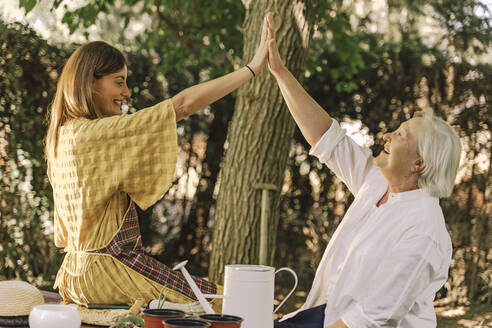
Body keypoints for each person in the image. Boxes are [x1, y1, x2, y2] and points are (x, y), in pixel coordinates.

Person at [44, 15, 272, 311]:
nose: (126, 93)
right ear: (90, 82)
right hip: (108, 271)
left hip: (75, 274)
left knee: (213, 295)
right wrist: (252, 69)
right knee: (228, 302)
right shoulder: (95, 135)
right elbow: (181, 106)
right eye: (119, 82)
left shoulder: (62, 136)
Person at [265, 14, 462, 328]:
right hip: (324, 316)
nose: (387, 135)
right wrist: (279, 72)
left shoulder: (423, 231)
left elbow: (368, 319)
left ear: (419, 164)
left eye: (401, 135)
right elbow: (326, 138)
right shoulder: (379, 182)